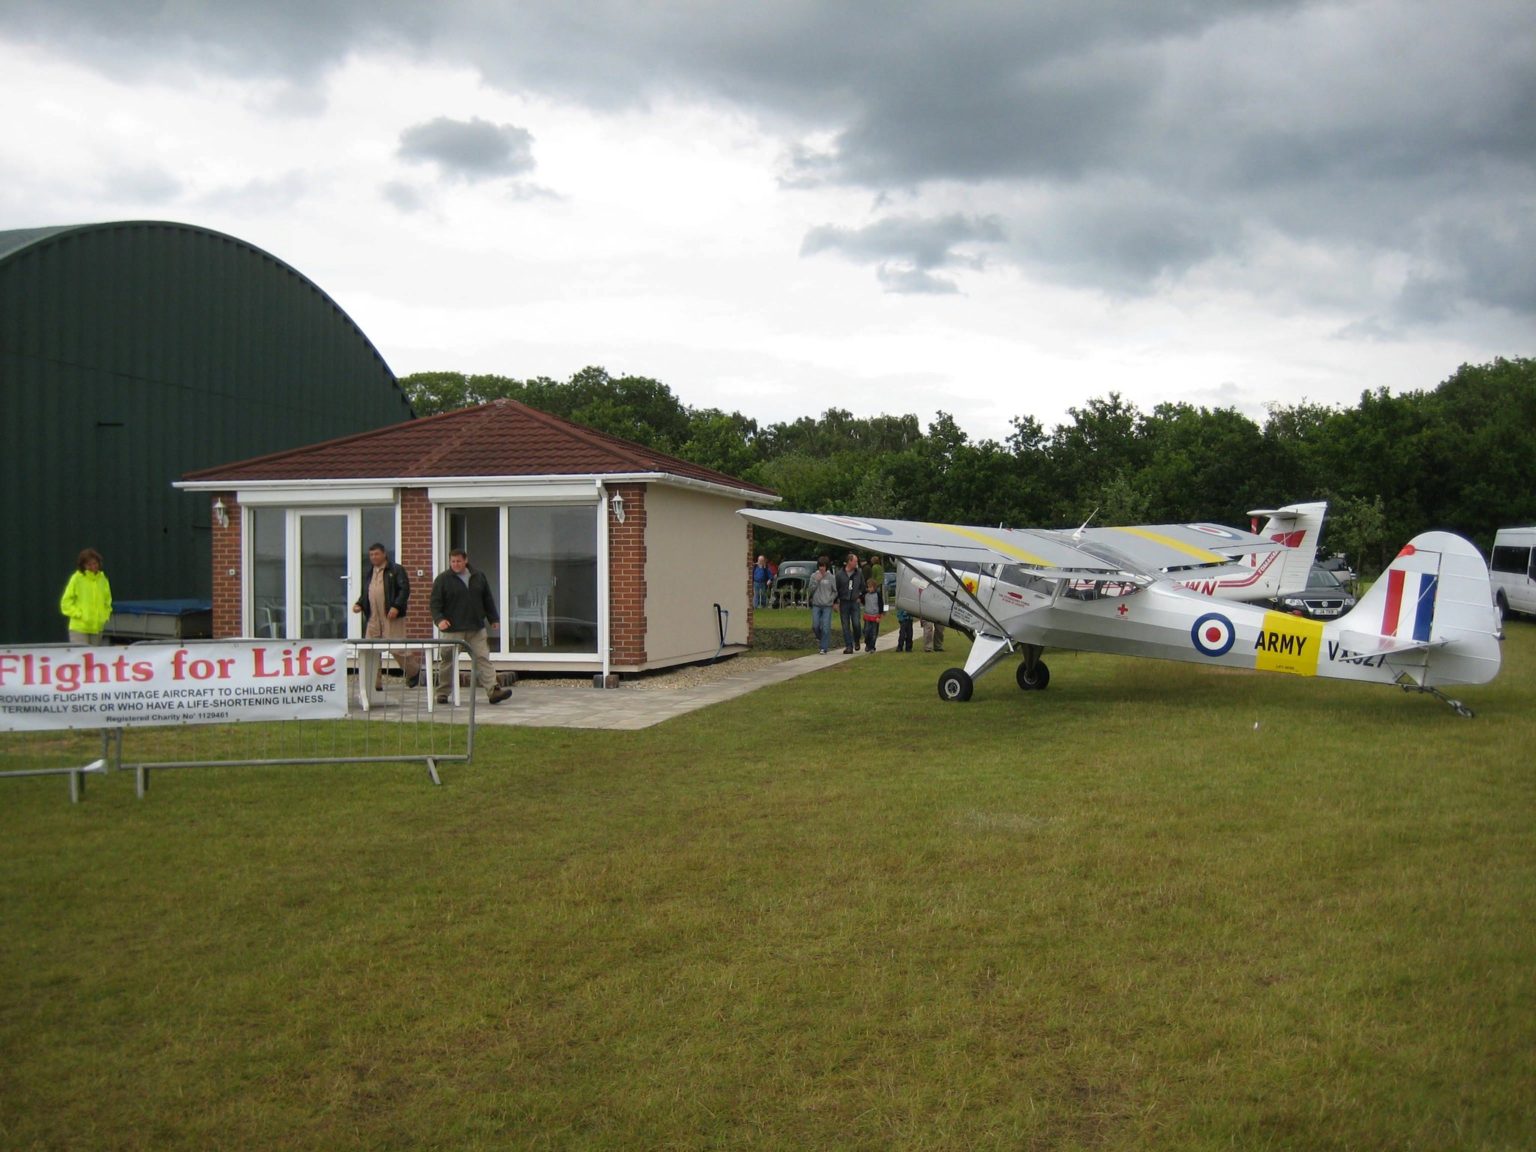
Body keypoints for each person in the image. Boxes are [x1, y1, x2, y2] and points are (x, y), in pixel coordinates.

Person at [430, 548, 512, 704]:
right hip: (453, 629)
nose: (455, 564)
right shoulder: (442, 580)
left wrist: (493, 618)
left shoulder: (478, 577)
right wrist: (439, 619)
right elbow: (434, 604)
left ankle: (493, 690)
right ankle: (443, 692)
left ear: (465, 560)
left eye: (458, 561)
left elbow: (487, 598)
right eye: (452, 561)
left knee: (482, 658)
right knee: (448, 661)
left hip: (476, 628)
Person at [352, 543, 423, 689]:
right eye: (371, 555)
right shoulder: (370, 572)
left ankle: (413, 672)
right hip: (373, 617)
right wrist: (359, 603)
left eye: (377, 554)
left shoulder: (396, 569)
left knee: (397, 648)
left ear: (384, 554)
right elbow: (367, 591)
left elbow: (404, 590)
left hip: (391, 616)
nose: (374, 557)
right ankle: (374, 684)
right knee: (370, 650)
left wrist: (396, 606)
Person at [60, 547, 112, 645]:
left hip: (97, 628)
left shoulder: (103, 579)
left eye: (95, 563)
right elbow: (65, 602)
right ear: (83, 565)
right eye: (89, 564)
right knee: (80, 655)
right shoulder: (76, 578)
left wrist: (104, 616)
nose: (93, 566)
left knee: (95, 658)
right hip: (79, 628)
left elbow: (107, 601)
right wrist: (79, 614)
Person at [807, 555, 838, 655]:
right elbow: (810, 590)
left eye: (823, 566)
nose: (821, 568)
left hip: (827, 605)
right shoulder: (813, 576)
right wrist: (817, 580)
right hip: (816, 604)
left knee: (825, 626)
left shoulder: (831, 577)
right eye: (820, 566)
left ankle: (823, 648)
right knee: (815, 626)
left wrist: (831, 599)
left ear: (826, 566)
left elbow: (835, 591)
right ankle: (821, 639)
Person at [835, 552, 864, 654]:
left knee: (856, 623)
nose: (856, 563)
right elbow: (836, 589)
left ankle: (856, 640)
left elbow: (862, 587)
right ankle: (848, 646)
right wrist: (835, 602)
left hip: (855, 602)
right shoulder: (839, 574)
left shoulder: (859, 573)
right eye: (855, 561)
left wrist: (861, 597)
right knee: (845, 625)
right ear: (849, 561)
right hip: (844, 602)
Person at [861, 577, 885, 652]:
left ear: (874, 587)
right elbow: (862, 599)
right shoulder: (865, 594)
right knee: (866, 631)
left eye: (871, 587)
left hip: (875, 616)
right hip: (867, 615)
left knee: (874, 633)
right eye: (868, 587)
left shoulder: (878, 595)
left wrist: (880, 615)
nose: (869, 589)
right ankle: (867, 643)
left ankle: (872, 647)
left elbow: (881, 605)